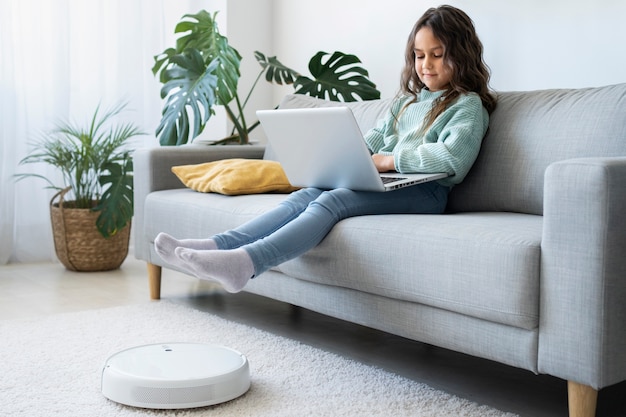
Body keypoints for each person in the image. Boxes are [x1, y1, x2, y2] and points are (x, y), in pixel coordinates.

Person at [155, 5, 497, 293]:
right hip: (391, 181)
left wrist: (390, 159)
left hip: (428, 192)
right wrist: (349, 155)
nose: (426, 65)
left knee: (334, 200)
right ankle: (219, 245)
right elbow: (373, 140)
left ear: (461, 55)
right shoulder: (406, 103)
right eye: (420, 56)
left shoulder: (467, 105)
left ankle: (247, 263)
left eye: (437, 55)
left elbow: (453, 159)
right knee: (311, 193)